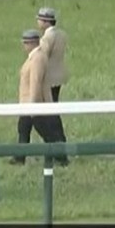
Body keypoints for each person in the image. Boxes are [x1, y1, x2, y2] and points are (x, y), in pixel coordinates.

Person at [9, 29, 69, 167]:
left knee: (45, 131)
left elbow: (36, 82)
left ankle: (60, 156)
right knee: (23, 129)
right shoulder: (35, 56)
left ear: (31, 43)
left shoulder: (37, 59)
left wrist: (33, 106)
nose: (24, 46)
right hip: (28, 103)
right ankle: (20, 157)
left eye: (25, 43)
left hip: (33, 103)